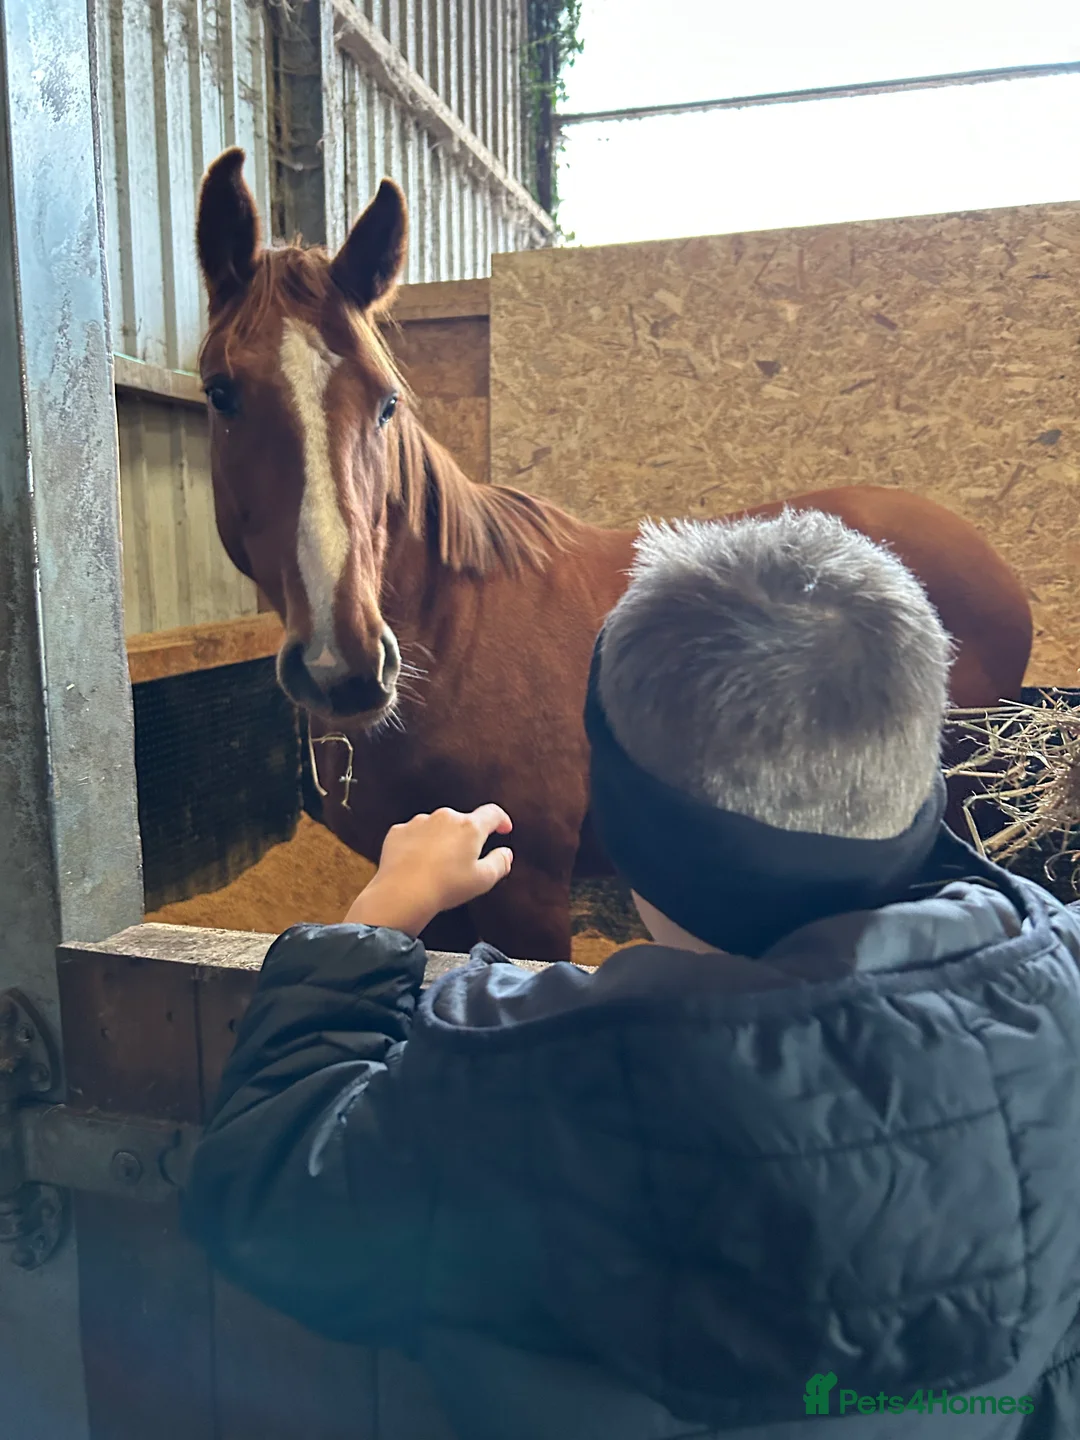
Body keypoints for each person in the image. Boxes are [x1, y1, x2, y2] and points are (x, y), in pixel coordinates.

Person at [183, 509, 1080, 1439]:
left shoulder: (514, 1070)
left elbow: (266, 1197)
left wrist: (376, 919)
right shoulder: (1057, 976)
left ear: (629, 827)